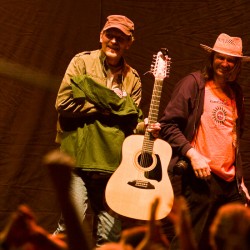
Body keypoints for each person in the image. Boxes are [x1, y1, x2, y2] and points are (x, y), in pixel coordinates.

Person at [54, 14, 160, 247]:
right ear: (101, 36)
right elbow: (63, 104)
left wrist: (146, 127)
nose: (114, 41)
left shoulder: (132, 78)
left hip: (113, 166)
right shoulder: (82, 63)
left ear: (128, 43)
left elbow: (131, 121)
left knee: (109, 236)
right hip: (77, 160)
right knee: (69, 226)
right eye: (110, 35)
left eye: (120, 38)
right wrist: (111, 106)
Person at [159, 33, 250, 250]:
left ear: (237, 65)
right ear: (212, 58)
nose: (225, 63)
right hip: (202, 176)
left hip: (230, 183)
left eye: (231, 60)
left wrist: (241, 181)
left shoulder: (235, 93)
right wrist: (193, 154)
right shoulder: (194, 84)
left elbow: (234, 138)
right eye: (221, 57)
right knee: (188, 241)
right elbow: (168, 126)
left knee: (232, 240)